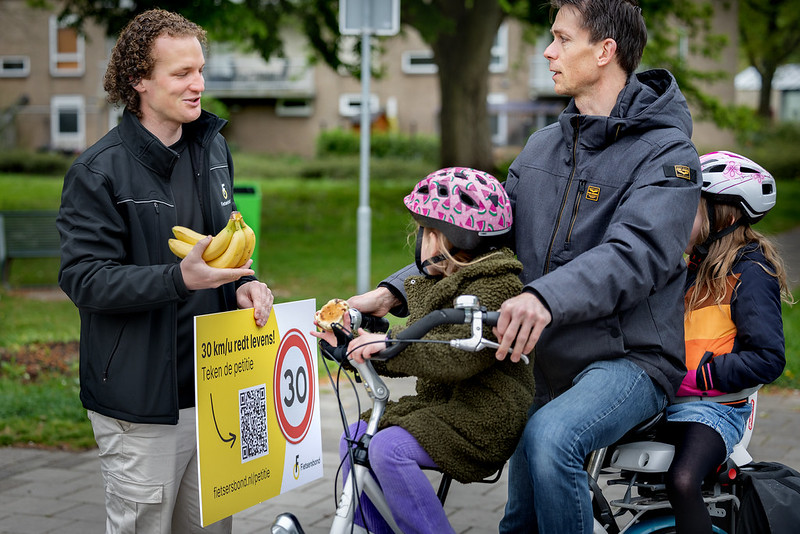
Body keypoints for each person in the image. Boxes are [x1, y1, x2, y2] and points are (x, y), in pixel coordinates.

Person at [350, 1, 702, 532]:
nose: (548, 51)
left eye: (562, 39)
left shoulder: (666, 154)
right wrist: (395, 292)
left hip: (628, 360)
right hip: (538, 362)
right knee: (518, 524)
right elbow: (482, 242)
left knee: (550, 436)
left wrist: (543, 297)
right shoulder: (543, 146)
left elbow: (637, 254)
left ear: (605, 51)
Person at [56, 9, 272, 534]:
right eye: (181, 73)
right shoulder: (97, 172)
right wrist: (178, 280)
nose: (198, 84)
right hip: (143, 405)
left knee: (211, 527)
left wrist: (246, 284)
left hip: (218, 387)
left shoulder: (213, 146)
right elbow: (84, 279)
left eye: (200, 69)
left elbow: (224, 249)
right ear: (139, 81)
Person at [312, 167, 534, 534]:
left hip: (483, 418)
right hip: (444, 409)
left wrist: (386, 346)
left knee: (388, 450)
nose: (420, 240)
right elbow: (412, 342)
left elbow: (454, 354)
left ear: (452, 238)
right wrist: (355, 345)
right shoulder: (444, 279)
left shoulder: (499, 285)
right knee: (355, 438)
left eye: (427, 232)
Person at [662, 151, 793, 534]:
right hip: (669, 397)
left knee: (682, 480)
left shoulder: (751, 273)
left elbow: (768, 358)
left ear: (725, 215)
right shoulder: (690, 268)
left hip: (715, 408)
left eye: (693, 206)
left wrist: (701, 378)